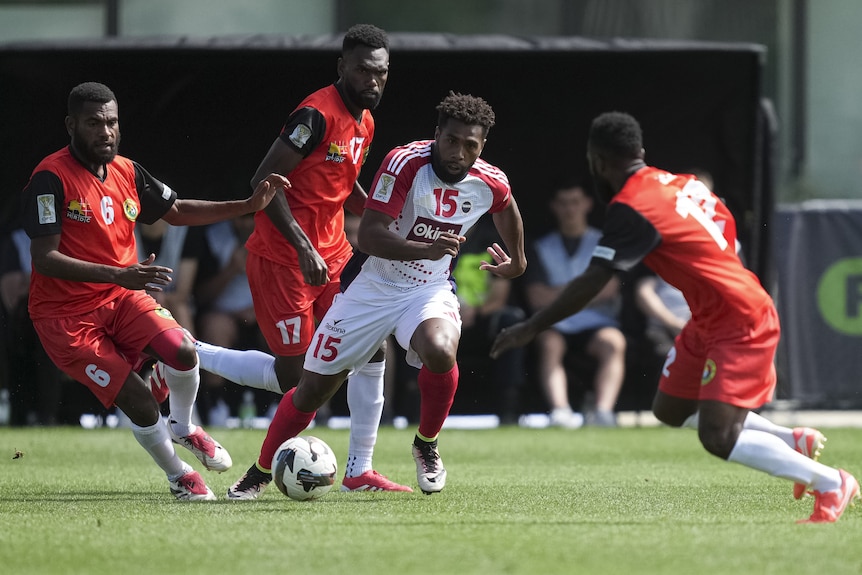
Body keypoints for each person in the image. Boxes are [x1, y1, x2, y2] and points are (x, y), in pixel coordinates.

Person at [491, 111, 859, 523]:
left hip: (738, 318)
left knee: (718, 437)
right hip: (709, 317)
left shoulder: (632, 205)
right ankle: (790, 440)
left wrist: (531, 325)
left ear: (596, 160)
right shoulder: (682, 184)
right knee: (670, 410)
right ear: (641, 152)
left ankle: (830, 482)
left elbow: (595, 279)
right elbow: (727, 228)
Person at [238, 91, 526, 496]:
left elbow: (506, 204)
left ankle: (426, 445)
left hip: (428, 288)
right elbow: (371, 236)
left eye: (470, 145)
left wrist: (518, 259)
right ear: (436, 134)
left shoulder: (489, 180)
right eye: (451, 140)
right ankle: (259, 472)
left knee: (441, 350)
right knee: (311, 390)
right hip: (372, 285)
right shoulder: (404, 162)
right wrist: (428, 248)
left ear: (482, 146)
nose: (459, 152)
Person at [20, 81, 289, 500]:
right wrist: (117, 274)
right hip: (66, 316)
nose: (105, 131)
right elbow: (44, 258)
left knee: (182, 350)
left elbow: (176, 211)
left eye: (111, 122)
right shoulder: (49, 178)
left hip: (119, 296)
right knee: (139, 397)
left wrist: (246, 206)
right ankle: (178, 475)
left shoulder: (127, 170)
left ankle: (183, 425)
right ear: (71, 125)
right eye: (94, 123)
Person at [187, 24, 411, 497]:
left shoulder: (365, 122)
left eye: (382, 72)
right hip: (283, 261)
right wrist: (303, 247)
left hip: (336, 255)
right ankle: (189, 352)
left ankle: (360, 469)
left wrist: (380, 220)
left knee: (370, 345)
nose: (373, 80)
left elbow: (343, 185)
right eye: (364, 70)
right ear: (342, 68)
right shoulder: (315, 114)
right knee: (299, 379)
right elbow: (262, 184)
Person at [523, 183, 626, 427]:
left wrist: (558, 293)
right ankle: (561, 412)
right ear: (554, 207)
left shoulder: (604, 242)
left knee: (614, 342)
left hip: (597, 323)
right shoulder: (540, 246)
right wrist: (586, 290)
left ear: (588, 204)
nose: (570, 209)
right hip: (556, 323)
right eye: (564, 203)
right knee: (549, 343)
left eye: (575, 202)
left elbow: (609, 290)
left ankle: (603, 413)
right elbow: (536, 297)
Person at [451, 216, 526, 423]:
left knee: (512, 320)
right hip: (439, 317)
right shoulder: (429, 238)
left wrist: (476, 310)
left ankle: (509, 411)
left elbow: (500, 296)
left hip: (478, 320)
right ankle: (411, 412)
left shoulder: (492, 241)